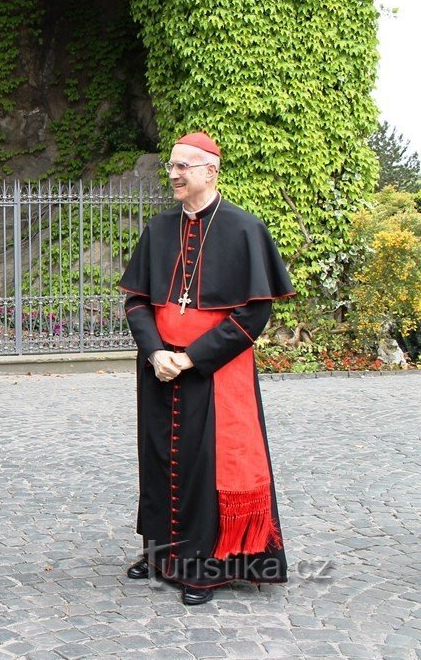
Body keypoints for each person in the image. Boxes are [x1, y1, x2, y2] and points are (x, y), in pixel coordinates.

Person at [118, 131, 294, 605]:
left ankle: (203, 567)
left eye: (183, 167)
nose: (173, 174)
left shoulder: (243, 228)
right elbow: (136, 301)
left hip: (214, 372)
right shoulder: (158, 229)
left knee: (204, 465)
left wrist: (192, 357)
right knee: (157, 458)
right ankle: (160, 554)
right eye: (171, 166)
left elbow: (254, 314)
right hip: (158, 367)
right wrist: (156, 353)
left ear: (211, 171)